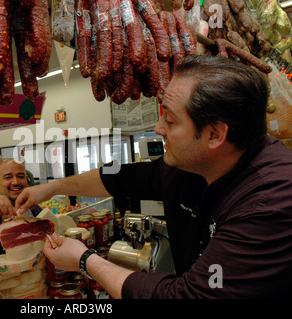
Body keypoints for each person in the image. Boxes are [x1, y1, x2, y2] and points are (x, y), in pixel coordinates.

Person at [15, 55, 292, 299]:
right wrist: (52, 188)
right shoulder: (190, 167)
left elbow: (188, 295)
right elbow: (118, 179)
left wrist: (85, 260)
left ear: (214, 134)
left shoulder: (270, 202)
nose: (158, 128)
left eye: (170, 121)